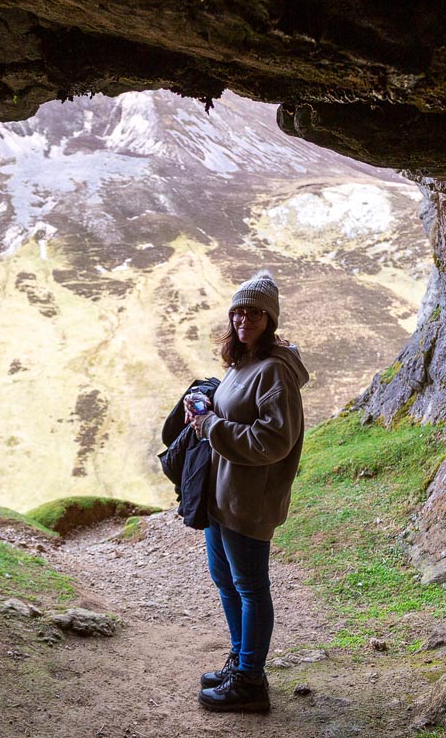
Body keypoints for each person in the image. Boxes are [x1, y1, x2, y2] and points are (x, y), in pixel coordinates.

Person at [185, 271, 309, 712]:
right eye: (238, 311)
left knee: (251, 588)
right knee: (227, 582)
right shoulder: (245, 361)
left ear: (269, 318)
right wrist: (205, 401)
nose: (244, 319)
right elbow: (234, 411)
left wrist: (211, 425)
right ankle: (241, 661)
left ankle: (250, 683)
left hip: (248, 500)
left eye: (254, 312)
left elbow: (274, 441)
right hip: (222, 496)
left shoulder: (276, 370)